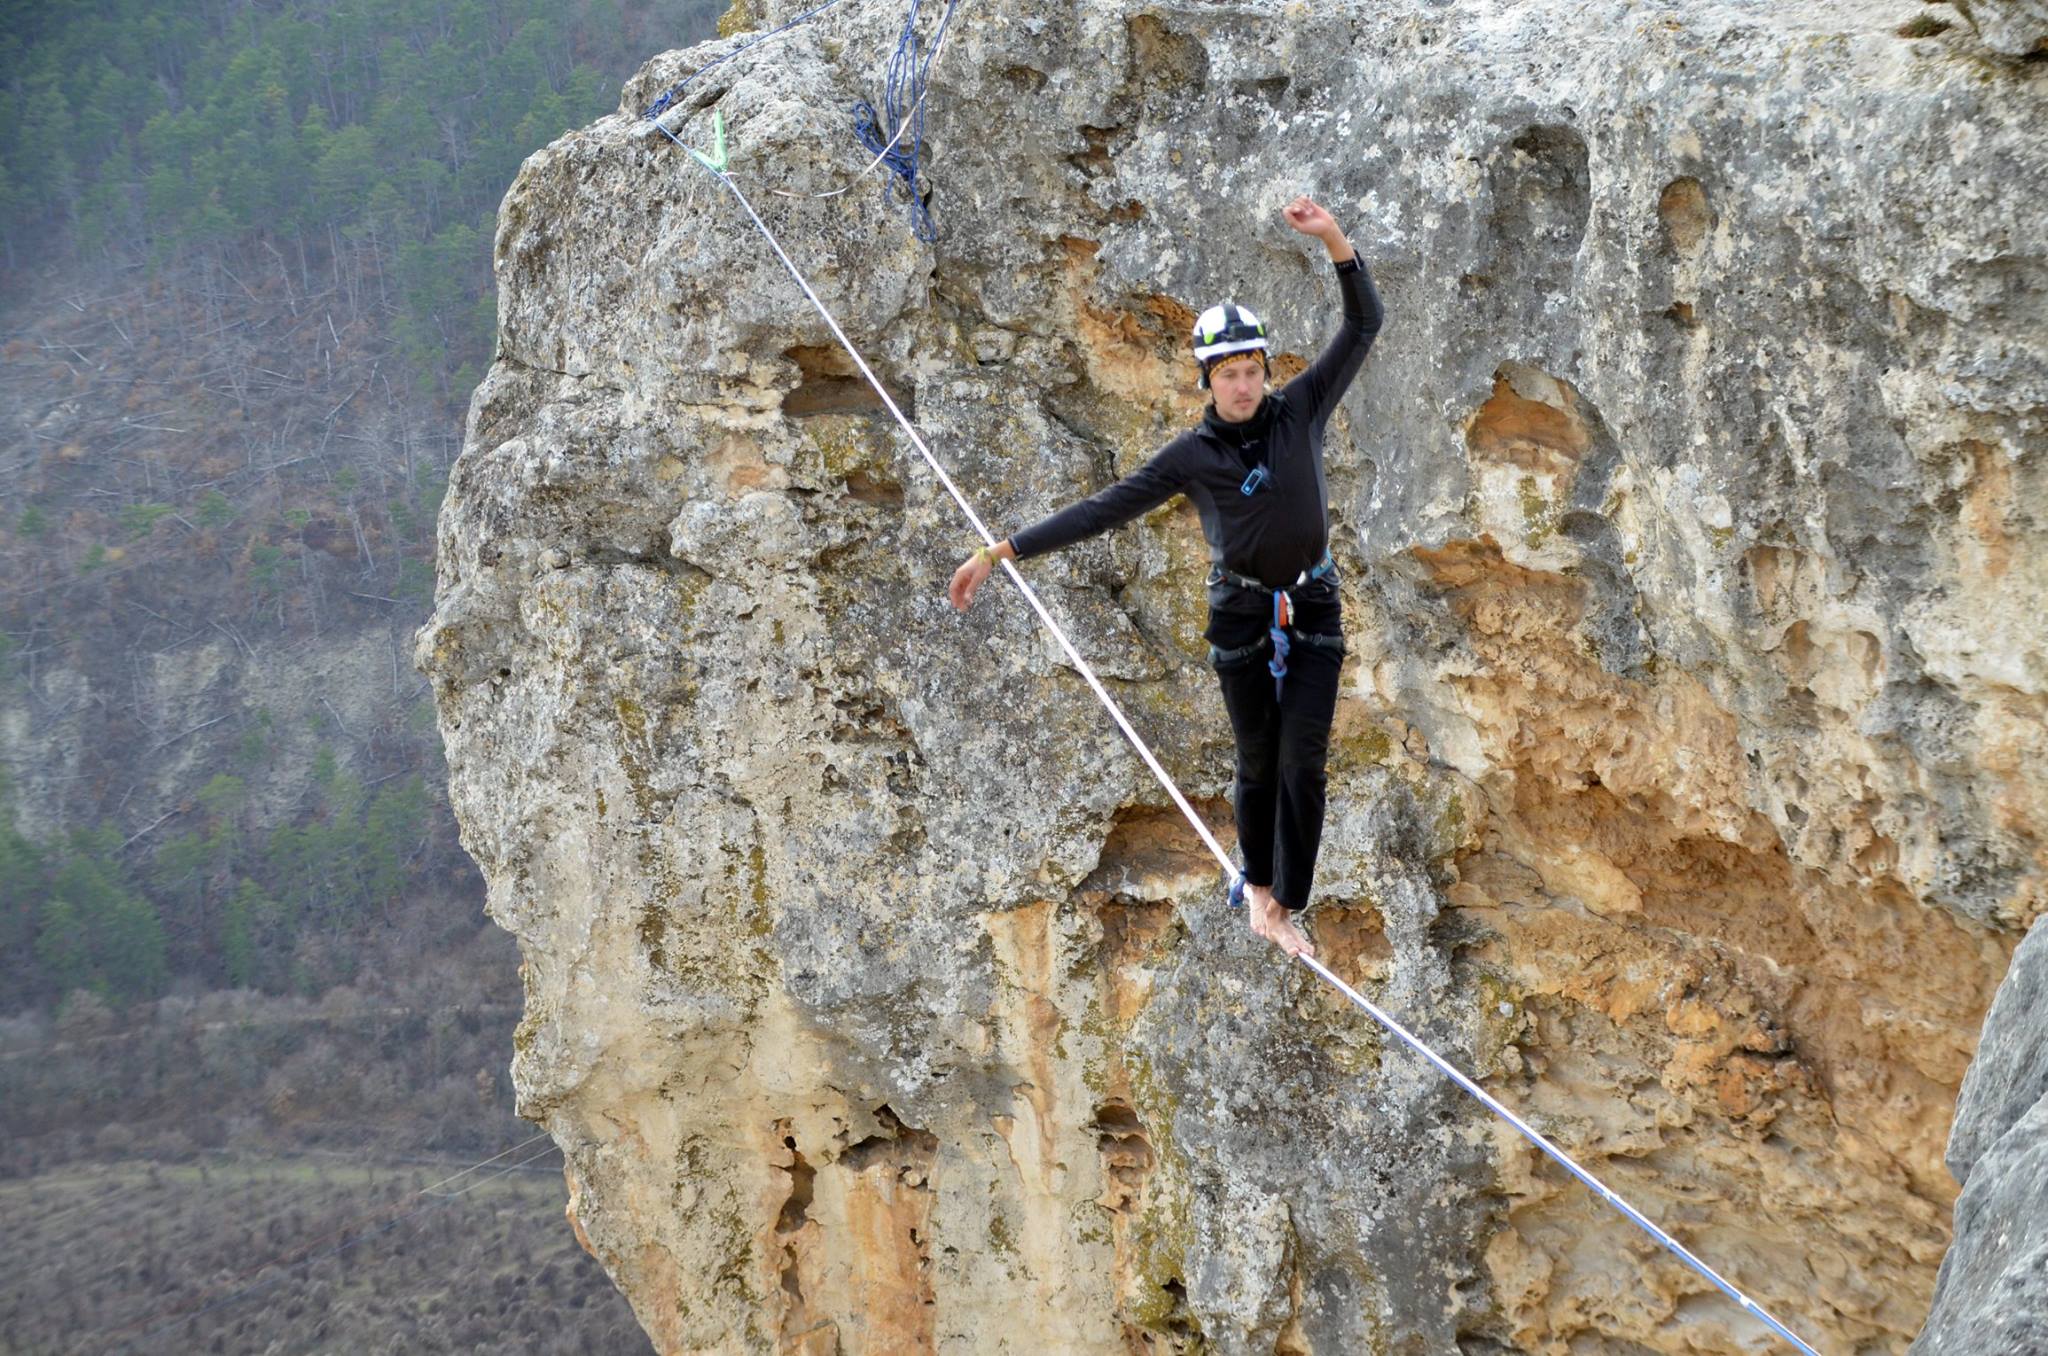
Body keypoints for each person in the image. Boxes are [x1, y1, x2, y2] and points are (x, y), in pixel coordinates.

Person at [948, 196, 1383, 960]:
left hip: (1312, 605)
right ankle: (1256, 883)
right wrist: (998, 553)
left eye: (1252, 371)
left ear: (1266, 371)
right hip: (1243, 616)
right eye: (1229, 374)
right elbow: (1101, 511)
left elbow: (1362, 326)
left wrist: (1335, 242)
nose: (1243, 385)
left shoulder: (1301, 410)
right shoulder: (1192, 457)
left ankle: (1284, 904)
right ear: (1207, 378)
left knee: (1303, 761)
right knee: (1257, 758)